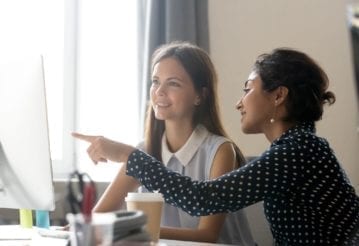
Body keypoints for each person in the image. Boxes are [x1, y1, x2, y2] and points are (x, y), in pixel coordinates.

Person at [74, 47, 359, 245]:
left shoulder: (299, 150)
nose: (239, 102)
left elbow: (203, 199)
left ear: (278, 96)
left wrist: (129, 156)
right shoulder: (294, 149)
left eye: (248, 89)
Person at [73, 42, 255, 245]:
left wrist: (136, 230)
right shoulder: (144, 151)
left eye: (173, 83)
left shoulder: (220, 151)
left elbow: (207, 235)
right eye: (155, 81)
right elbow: (98, 217)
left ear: (200, 95)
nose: (159, 91)